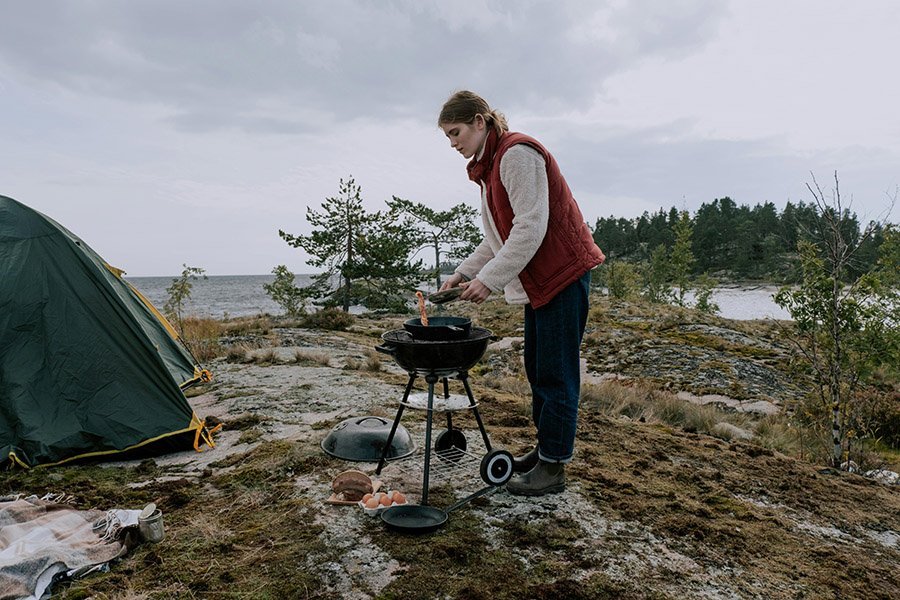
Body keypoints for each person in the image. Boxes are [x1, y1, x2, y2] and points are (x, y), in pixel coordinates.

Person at [437, 90, 605, 496]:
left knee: (556, 375)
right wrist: (463, 273)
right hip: (541, 283)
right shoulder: (491, 165)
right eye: (447, 137)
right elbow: (499, 236)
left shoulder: (515, 155)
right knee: (538, 368)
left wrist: (489, 280)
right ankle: (547, 450)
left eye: (456, 132)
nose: (454, 143)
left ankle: (553, 468)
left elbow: (531, 227)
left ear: (481, 121)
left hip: (562, 276)